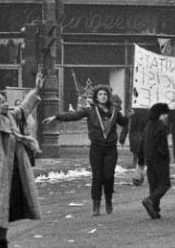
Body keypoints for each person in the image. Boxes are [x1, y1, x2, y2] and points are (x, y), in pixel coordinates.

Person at [0, 73, 44, 248]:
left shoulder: (11, 117)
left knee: (6, 207)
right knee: (0, 207)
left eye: (5, 101)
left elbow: (25, 108)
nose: (6, 104)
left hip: (12, 170)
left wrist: (36, 89)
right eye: (2, 102)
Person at [43, 85, 130, 216]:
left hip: (111, 148)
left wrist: (130, 115)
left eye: (105, 94)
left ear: (108, 97)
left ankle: (108, 200)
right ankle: (96, 204)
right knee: (97, 177)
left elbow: (123, 122)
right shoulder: (90, 110)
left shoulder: (114, 111)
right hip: (96, 147)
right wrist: (56, 117)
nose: (103, 96)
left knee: (108, 176)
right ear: (96, 96)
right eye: (100, 94)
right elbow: (73, 115)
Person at [137, 102, 171, 219]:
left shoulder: (148, 126)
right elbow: (162, 146)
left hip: (149, 159)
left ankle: (154, 209)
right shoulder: (160, 127)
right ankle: (150, 200)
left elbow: (142, 143)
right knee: (165, 184)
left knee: (154, 184)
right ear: (159, 114)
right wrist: (166, 157)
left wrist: (141, 159)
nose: (166, 116)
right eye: (164, 113)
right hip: (160, 159)